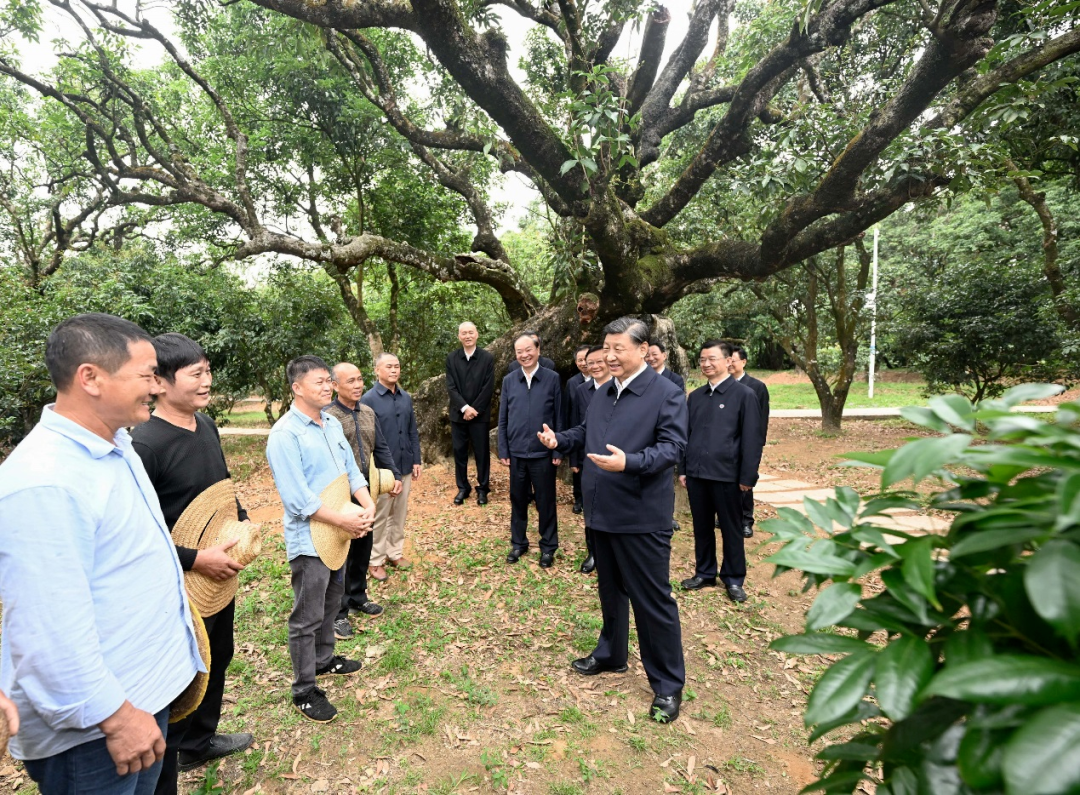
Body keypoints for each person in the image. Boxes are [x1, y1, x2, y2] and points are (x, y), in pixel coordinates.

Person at [0, 313, 204, 793]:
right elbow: (46, 631)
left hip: (142, 698)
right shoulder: (44, 481)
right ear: (90, 378)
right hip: (98, 731)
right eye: (146, 374)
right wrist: (115, 717)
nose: (156, 386)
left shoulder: (117, 445)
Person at [538, 317, 688, 723]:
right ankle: (612, 653)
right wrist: (560, 440)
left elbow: (673, 448)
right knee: (610, 592)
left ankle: (668, 684)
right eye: (607, 347)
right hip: (600, 512)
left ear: (642, 350)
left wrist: (631, 463)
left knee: (652, 601)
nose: (610, 355)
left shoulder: (666, 393)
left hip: (641, 516)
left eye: (619, 348)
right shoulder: (605, 392)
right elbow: (587, 431)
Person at [130, 333, 254, 791]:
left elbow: (221, 487)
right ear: (160, 382)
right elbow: (140, 533)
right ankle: (175, 745)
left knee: (219, 653)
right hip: (178, 579)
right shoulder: (145, 445)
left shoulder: (206, 427)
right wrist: (195, 558)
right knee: (184, 669)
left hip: (220, 570)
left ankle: (200, 742)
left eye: (207, 371)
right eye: (196, 373)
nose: (207, 381)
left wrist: (239, 521)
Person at [265, 356, 375, 724]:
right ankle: (304, 689)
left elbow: (350, 471)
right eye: (319, 382)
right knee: (306, 616)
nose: (327, 387)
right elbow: (297, 500)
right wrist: (344, 518)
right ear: (297, 388)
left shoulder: (330, 423)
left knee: (332, 602)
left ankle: (325, 659)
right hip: (310, 538)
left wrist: (367, 504)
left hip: (338, 532)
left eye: (329, 381)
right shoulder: (285, 435)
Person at [679, 340, 763, 603]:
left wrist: (748, 477)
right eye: (702, 359)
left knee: (731, 529)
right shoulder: (696, 397)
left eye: (712, 358)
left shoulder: (744, 395)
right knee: (702, 527)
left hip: (728, 476)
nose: (705, 364)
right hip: (697, 474)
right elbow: (686, 435)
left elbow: (752, 439)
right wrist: (684, 469)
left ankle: (734, 578)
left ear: (728, 361)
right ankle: (704, 572)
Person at [325, 362, 401, 641]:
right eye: (350, 381)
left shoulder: (368, 412)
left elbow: (379, 446)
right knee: (342, 550)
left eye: (359, 380)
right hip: (337, 494)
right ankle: (338, 612)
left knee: (363, 544)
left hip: (365, 488)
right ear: (335, 386)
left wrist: (393, 474)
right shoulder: (327, 415)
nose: (357, 385)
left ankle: (357, 596)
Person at [498, 333, 563, 567]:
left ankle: (548, 547)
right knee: (517, 500)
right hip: (516, 453)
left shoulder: (552, 378)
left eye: (528, 350)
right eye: (519, 352)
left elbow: (559, 416)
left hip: (543, 453)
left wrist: (558, 450)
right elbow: (503, 418)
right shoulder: (509, 380)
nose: (524, 355)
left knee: (546, 501)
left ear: (538, 349)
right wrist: (503, 449)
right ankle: (518, 543)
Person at [362, 353, 422, 580]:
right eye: (389, 367)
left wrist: (416, 459)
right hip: (382, 469)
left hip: (405, 463)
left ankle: (394, 552)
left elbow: (412, 430)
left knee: (399, 513)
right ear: (377, 370)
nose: (394, 370)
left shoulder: (406, 397)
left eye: (397, 366)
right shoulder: (368, 399)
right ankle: (375, 560)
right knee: (380, 514)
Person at [568, 345, 610, 574]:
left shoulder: (621, 388)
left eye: (598, 361)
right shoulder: (582, 390)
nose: (593, 366)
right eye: (589, 362)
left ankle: (612, 554)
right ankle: (593, 552)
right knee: (591, 511)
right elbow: (577, 426)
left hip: (617, 462)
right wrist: (574, 459)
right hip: (589, 460)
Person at [446, 321, 495, 506]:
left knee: (482, 453)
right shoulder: (452, 358)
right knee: (459, 453)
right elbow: (451, 386)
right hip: (458, 415)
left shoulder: (487, 358)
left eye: (470, 332)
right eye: (463, 333)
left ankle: (483, 489)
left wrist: (474, 409)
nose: (467, 336)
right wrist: (465, 408)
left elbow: (488, 387)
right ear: (459, 336)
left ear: (477, 334)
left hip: (480, 416)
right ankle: (463, 488)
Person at [730, 345, 770, 539]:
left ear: (743, 362)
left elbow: (762, 418)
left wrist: (757, 443)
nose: (729, 364)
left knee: (746, 482)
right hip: (727, 443)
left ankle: (746, 520)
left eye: (733, 360)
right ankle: (727, 516)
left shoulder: (756, 387)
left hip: (748, 442)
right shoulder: (723, 385)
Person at [647, 338, 685, 531]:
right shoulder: (641, 379)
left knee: (666, 477)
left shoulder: (675, 380)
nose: (651, 358)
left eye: (655, 354)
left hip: (665, 434)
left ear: (664, 355)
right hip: (646, 435)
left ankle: (668, 516)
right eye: (648, 355)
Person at [565, 344, 592, 514]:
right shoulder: (572, 383)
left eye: (586, 359)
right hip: (578, 429)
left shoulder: (607, 379)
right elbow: (568, 411)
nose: (583, 363)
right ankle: (578, 499)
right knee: (578, 468)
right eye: (579, 360)